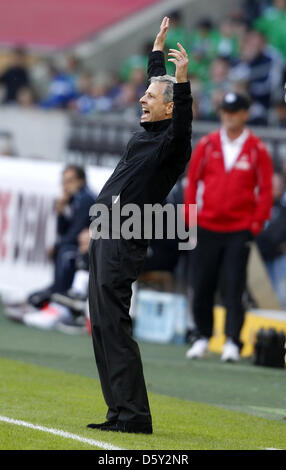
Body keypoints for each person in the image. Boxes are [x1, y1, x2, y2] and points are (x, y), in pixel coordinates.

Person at [87, 17, 192, 434]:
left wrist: (181, 83)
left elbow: (180, 120)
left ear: (169, 106)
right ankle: (118, 411)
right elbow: (158, 89)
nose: (142, 100)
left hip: (124, 234)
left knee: (114, 324)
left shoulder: (171, 145)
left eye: (151, 97)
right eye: (145, 94)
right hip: (104, 231)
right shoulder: (149, 131)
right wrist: (156, 52)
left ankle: (133, 416)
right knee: (102, 325)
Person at [184, 91, 273, 362]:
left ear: (245, 114)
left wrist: (255, 224)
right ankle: (202, 336)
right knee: (202, 284)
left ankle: (233, 341)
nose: (228, 116)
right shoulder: (208, 144)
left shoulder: (257, 149)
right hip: (207, 225)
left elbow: (266, 190)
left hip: (238, 229)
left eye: (234, 111)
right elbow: (192, 180)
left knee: (234, 286)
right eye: (225, 111)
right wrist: (191, 218)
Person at [28, 165, 97, 308]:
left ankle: (61, 294)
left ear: (81, 181)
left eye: (70, 181)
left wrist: (56, 246)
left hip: (90, 249)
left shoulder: (86, 199)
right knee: (63, 248)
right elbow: (64, 231)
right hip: (78, 246)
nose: (65, 186)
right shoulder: (72, 200)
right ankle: (56, 292)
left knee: (64, 250)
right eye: (64, 181)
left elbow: (76, 233)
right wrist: (60, 212)